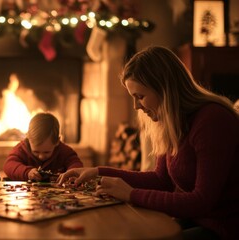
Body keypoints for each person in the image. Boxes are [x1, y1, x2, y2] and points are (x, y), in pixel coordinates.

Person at [58, 46, 239, 240]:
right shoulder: (173, 121)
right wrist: (97, 172)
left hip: (225, 227)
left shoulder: (212, 120)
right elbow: (161, 180)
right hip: (197, 220)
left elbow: (202, 201)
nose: (137, 106)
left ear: (165, 90)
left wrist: (131, 194)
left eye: (140, 97)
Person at [3, 112, 83, 181]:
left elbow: (75, 164)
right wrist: (27, 172)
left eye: (47, 152)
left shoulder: (64, 151)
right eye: (36, 152)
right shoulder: (21, 149)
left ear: (57, 142)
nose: (41, 156)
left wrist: (70, 174)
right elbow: (9, 165)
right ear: (28, 139)